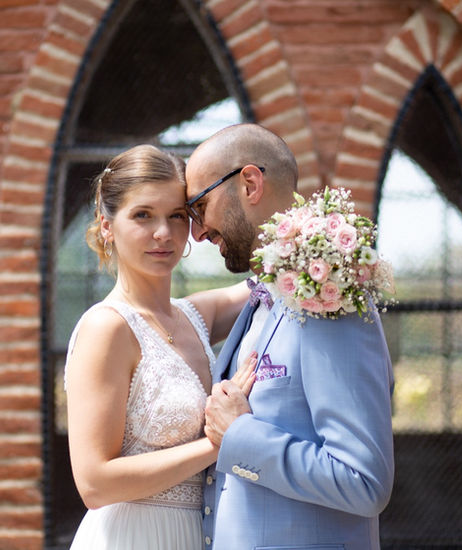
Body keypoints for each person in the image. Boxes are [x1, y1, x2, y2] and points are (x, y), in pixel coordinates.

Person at [185, 124, 395, 549]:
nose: (197, 232)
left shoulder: (327, 296)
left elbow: (364, 481)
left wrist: (240, 435)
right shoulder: (261, 298)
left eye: (199, 206)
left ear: (249, 183)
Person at [64, 144, 256, 550]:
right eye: (142, 215)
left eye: (177, 216)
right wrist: (218, 442)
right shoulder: (107, 328)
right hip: (131, 537)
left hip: (199, 535)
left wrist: (326, 246)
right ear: (106, 225)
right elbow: (94, 483)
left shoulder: (194, 316)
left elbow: (271, 279)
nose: (163, 234)